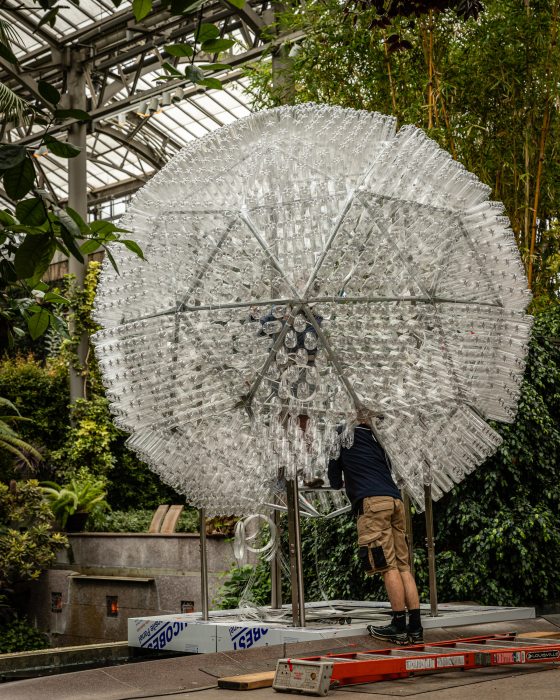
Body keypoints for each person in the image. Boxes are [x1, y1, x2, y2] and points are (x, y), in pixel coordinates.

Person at [327, 419, 423, 645]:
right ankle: (415, 628)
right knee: (403, 566)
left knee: (386, 566)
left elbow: (333, 478)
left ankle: (398, 626)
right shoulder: (377, 435)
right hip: (395, 501)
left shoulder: (341, 433)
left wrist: (342, 479)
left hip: (373, 504)